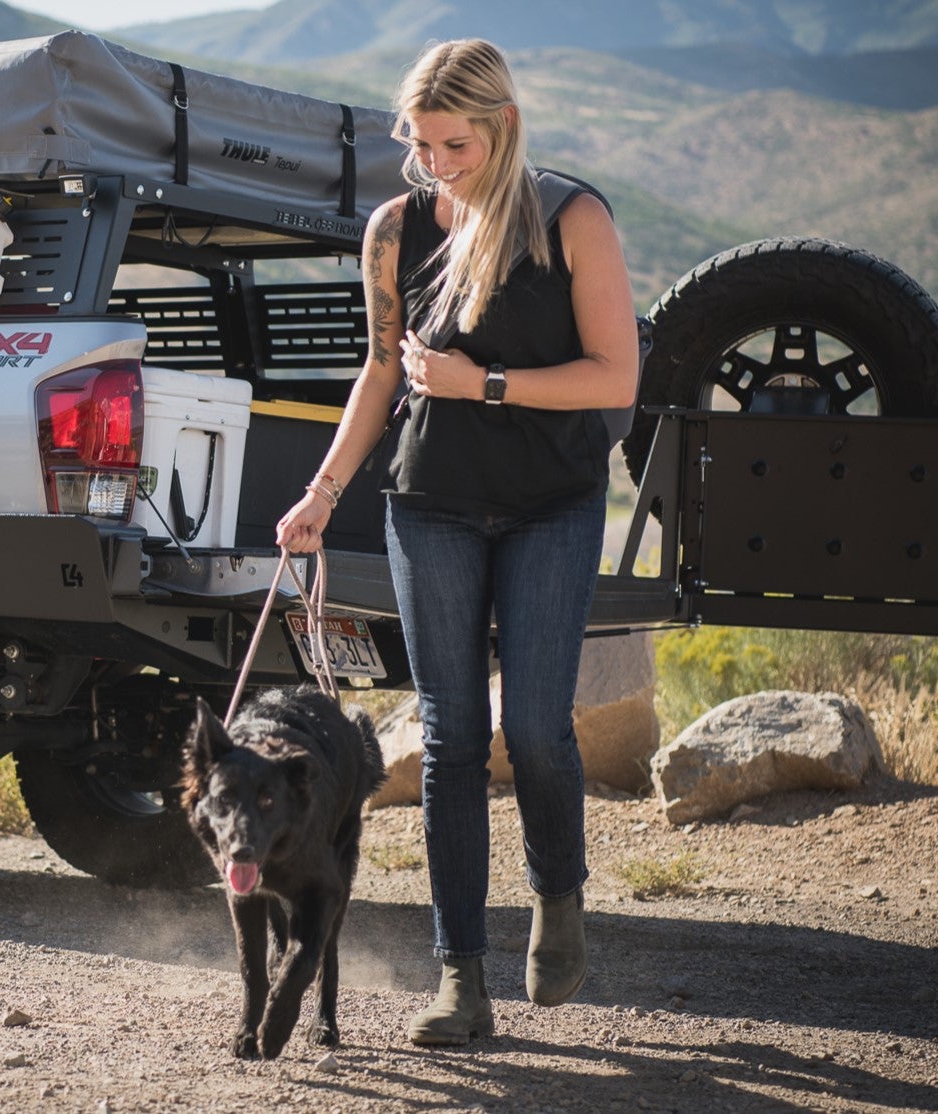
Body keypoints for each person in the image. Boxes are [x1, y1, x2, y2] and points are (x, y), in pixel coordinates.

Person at [275, 38, 638, 1046]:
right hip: (428, 500)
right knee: (446, 740)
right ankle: (460, 979)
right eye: (420, 143)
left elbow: (615, 378)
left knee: (533, 727)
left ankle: (557, 896)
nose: (433, 163)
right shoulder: (394, 230)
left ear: (503, 128)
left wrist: (484, 383)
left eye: (454, 145)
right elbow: (380, 373)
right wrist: (319, 494)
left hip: (551, 504)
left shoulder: (573, 219)